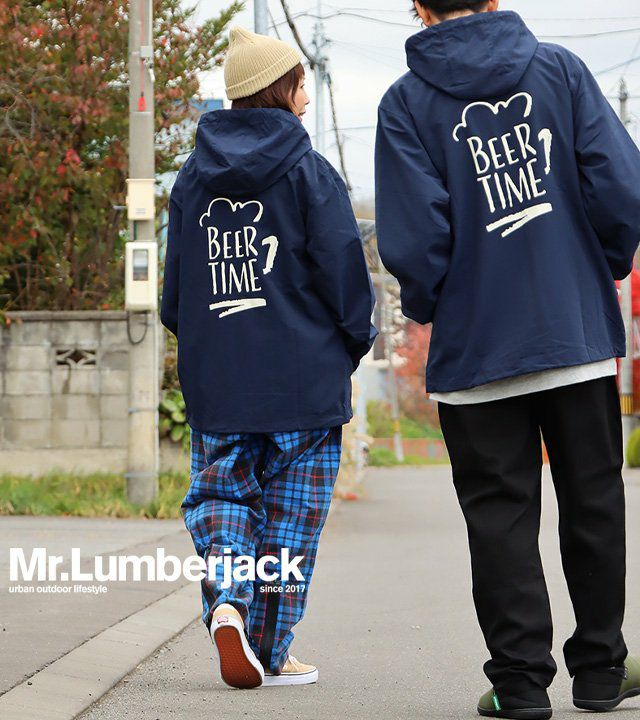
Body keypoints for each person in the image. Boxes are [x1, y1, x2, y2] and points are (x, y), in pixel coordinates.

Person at [375, 1, 640, 718]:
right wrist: (597, 267)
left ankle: (520, 685)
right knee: (593, 500)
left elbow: (414, 238)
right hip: (573, 331)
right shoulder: (561, 72)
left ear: (419, 9)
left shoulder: (405, 103)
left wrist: (438, 303)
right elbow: (620, 187)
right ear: (492, 0)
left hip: (476, 348)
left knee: (499, 516)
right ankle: (600, 671)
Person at [161, 26, 377, 690]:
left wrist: (208, 346)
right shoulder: (311, 172)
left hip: (220, 381)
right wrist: (350, 345)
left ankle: (228, 603)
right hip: (304, 382)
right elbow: (345, 279)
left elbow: (175, 297)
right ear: (280, 89)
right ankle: (271, 650)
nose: (306, 96)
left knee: (223, 496)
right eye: (301, 83)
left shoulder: (191, 179)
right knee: (290, 518)